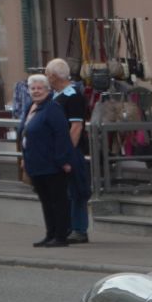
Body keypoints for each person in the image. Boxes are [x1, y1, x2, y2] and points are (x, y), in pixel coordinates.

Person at [19, 74, 73, 247]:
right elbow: (25, 133)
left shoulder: (52, 108)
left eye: (39, 88)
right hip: (36, 164)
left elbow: (61, 135)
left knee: (58, 201)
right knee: (46, 202)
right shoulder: (31, 107)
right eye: (33, 88)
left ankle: (60, 236)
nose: (36, 91)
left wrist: (62, 160)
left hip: (52, 164)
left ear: (48, 90)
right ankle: (50, 234)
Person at [45, 58, 92, 243]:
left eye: (48, 74)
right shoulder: (56, 96)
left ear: (54, 76)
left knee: (76, 191)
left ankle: (79, 229)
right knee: (64, 191)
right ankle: (68, 226)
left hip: (71, 152)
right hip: (57, 152)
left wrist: (67, 151)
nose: (47, 78)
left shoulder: (73, 96)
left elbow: (76, 127)